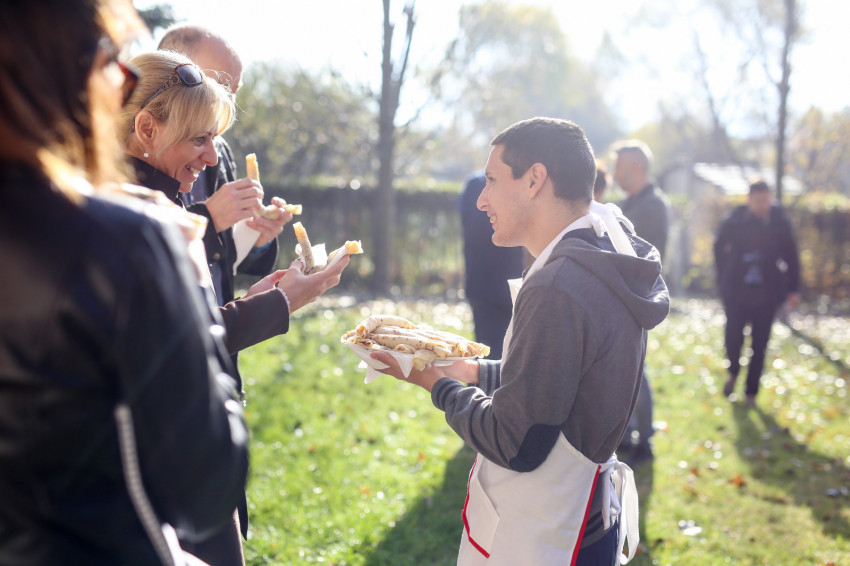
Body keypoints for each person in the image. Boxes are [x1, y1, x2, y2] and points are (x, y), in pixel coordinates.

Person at [0, 1, 249, 564]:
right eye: (113, 57)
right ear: (59, 70)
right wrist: (190, 284)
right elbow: (208, 486)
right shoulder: (128, 242)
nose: (124, 81)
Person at [372, 118, 669, 565]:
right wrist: (472, 370)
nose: (481, 199)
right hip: (586, 521)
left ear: (534, 180)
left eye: (492, 180)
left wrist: (435, 383)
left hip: (550, 537)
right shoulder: (603, 252)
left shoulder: (560, 284)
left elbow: (515, 441)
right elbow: (561, 380)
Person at [119, 49, 350, 565]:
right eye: (199, 139)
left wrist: (256, 299)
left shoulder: (157, 201)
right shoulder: (131, 215)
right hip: (166, 466)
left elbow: (188, 321)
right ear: (147, 128)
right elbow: (179, 345)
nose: (210, 159)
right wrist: (282, 302)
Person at [714, 179, 801, 406]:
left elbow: (792, 255)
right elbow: (718, 247)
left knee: (760, 344)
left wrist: (793, 288)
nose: (764, 205)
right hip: (737, 291)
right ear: (749, 200)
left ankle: (751, 392)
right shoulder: (734, 220)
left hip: (767, 293)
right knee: (733, 337)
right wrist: (724, 276)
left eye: (767, 200)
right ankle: (733, 372)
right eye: (759, 201)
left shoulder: (780, 222)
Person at [612, 139, 671, 463]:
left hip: (637, 299)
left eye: (620, 167)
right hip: (622, 296)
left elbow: (645, 257)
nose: (616, 173)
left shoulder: (653, 206)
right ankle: (627, 434)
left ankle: (645, 440)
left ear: (636, 166)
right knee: (625, 368)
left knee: (637, 369)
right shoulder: (628, 203)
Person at [459, 171, 525, 359]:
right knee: (491, 351)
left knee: (502, 351)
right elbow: (474, 230)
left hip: (500, 281)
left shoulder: (478, 184)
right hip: (488, 284)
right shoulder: (478, 185)